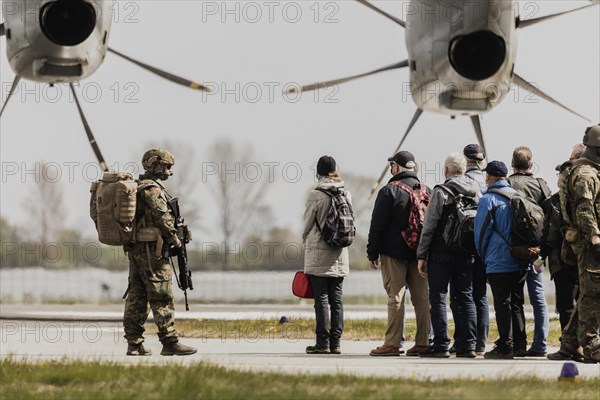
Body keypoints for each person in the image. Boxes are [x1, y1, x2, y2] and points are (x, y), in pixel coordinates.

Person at [123, 148, 196, 356]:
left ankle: (134, 343)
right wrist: (175, 240)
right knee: (161, 294)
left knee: (137, 294)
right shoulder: (152, 190)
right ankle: (169, 341)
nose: (169, 171)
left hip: (139, 250)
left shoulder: (139, 187)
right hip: (152, 252)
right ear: (154, 165)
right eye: (167, 166)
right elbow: (162, 217)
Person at [367, 151, 431, 357]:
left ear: (397, 167)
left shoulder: (388, 191)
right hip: (420, 254)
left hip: (393, 253)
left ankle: (392, 343)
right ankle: (423, 341)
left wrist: (372, 252)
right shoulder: (426, 190)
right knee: (422, 299)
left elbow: (377, 225)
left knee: (396, 297)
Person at [417, 153, 479, 358]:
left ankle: (441, 344)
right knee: (466, 297)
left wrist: (422, 254)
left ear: (446, 171)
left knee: (438, 297)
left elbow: (429, 225)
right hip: (466, 251)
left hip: (441, 253)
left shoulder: (441, 191)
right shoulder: (475, 191)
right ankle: (468, 344)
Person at [551, 126, 600, 364]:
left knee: (591, 291)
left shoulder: (589, 171)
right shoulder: (585, 174)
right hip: (590, 243)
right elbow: (584, 208)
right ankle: (591, 346)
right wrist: (595, 237)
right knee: (593, 294)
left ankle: (570, 341)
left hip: (588, 240)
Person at [474, 161, 527, 359]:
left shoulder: (488, 200)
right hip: (521, 258)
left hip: (499, 259)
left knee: (502, 303)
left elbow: (480, 234)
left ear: (488, 177)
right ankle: (520, 345)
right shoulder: (518, 196)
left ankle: (506, 346)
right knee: (516, 302)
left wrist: (483, 257)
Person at [302, 155, 352, 354]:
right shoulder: (346, 193)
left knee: (321, 298)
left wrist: (305, 239)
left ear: (318, 172)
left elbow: (307, 224)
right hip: (340, 252)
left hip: (318, 252)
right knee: (337, 299)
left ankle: (322, 343)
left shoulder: (316, 194)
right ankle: (336, 343)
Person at [507, 146, 551, 357]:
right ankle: (541, 344)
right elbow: (551, 215)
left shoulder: (507, 184)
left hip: (513, 250)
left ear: (512, 164)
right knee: (538, 298)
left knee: (514, 298)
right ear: (531, 164)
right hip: (537, 250)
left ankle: (516, 342)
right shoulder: (541, 185)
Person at [536, 161, 578, 332]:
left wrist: (541, 257)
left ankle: (568, 343)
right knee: (583, 303)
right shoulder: (585, 199)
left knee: (565, 305)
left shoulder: (554, 202)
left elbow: (549, 234)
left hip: (562, 261)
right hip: (583, 259)